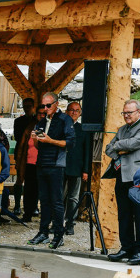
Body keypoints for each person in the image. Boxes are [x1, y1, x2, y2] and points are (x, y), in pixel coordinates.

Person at [28, 93, 75, 250]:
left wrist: (50, 141)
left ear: (56, 104)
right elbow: (38, 146)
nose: (45, 108)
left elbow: (69, 143)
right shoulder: (41, 122)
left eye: (48, 105)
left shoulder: (65, 120)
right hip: (42, 163)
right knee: (44, 199)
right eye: (43, 106)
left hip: (56, 164)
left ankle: (58, 235)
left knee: (56, 201)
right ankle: (43, 232)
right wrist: (35, 139)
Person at [61, 101, 91, 236]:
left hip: (76, 168)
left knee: (73, 198)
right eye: (71, 110)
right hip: (60, 166)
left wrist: (86, 170)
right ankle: (57, 223)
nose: (73, 112)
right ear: (67, 112)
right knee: (59, 197)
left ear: (80, 113)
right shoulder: (61, 126)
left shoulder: (83, 129)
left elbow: (87, 151)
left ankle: (70, 224)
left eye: (76, 110)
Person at [12, 98, 36, 215]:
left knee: (34, 182)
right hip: (21, 152)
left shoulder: (37, 121)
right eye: (25, 106)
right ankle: (17, 205)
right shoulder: (18, 121)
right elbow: (17, 137)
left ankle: (33, 206)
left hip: (33, 153)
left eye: (29, 106)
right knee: (19, 179)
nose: (27, 108)